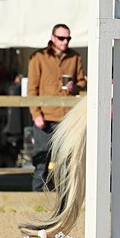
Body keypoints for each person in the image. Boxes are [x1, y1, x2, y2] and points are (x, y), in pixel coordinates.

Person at [28, 23, 86, 190]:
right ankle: (37, 196)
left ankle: (64, 195)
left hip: (68, 117)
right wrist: (35, 113)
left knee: (67, 160)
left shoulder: (75, 57)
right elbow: (32, 89)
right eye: (61, 38)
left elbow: (82, 82)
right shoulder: (38, 57)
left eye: (68, 38)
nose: (65, 41)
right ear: (53, 38)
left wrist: (75, 87)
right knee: (41, 160)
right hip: (45, 116)